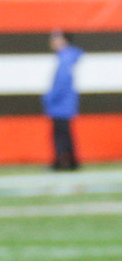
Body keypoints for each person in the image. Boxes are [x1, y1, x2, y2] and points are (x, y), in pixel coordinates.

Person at [43, 30, 83, 170]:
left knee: (60, 135)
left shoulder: (65, 59)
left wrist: (49, 98)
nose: (52, 42)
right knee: (65, 134)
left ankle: (62, 162)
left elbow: (61, 82)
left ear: (63, 41)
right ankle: (71, 161)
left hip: (61, 104)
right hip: (65, 103)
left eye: (55, 39)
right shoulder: (67, 57)